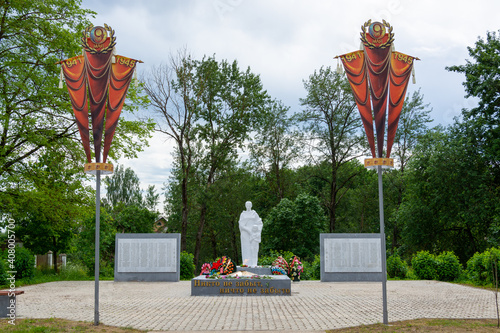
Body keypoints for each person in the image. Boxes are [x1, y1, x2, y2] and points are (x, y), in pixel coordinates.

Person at [239, 201, 263, 267]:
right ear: (245, 205)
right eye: (247, 205)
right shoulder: (243, 214)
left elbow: (259, 223)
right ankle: (246, 263)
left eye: (249, 205)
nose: (248, 206)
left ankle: (254, 263)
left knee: (253, 248)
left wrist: (256, 230)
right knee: (246, 248)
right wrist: (248, 230)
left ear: (251, 205)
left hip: (253, 233)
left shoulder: (254, 213)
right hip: (245, 233)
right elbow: (241, 225)